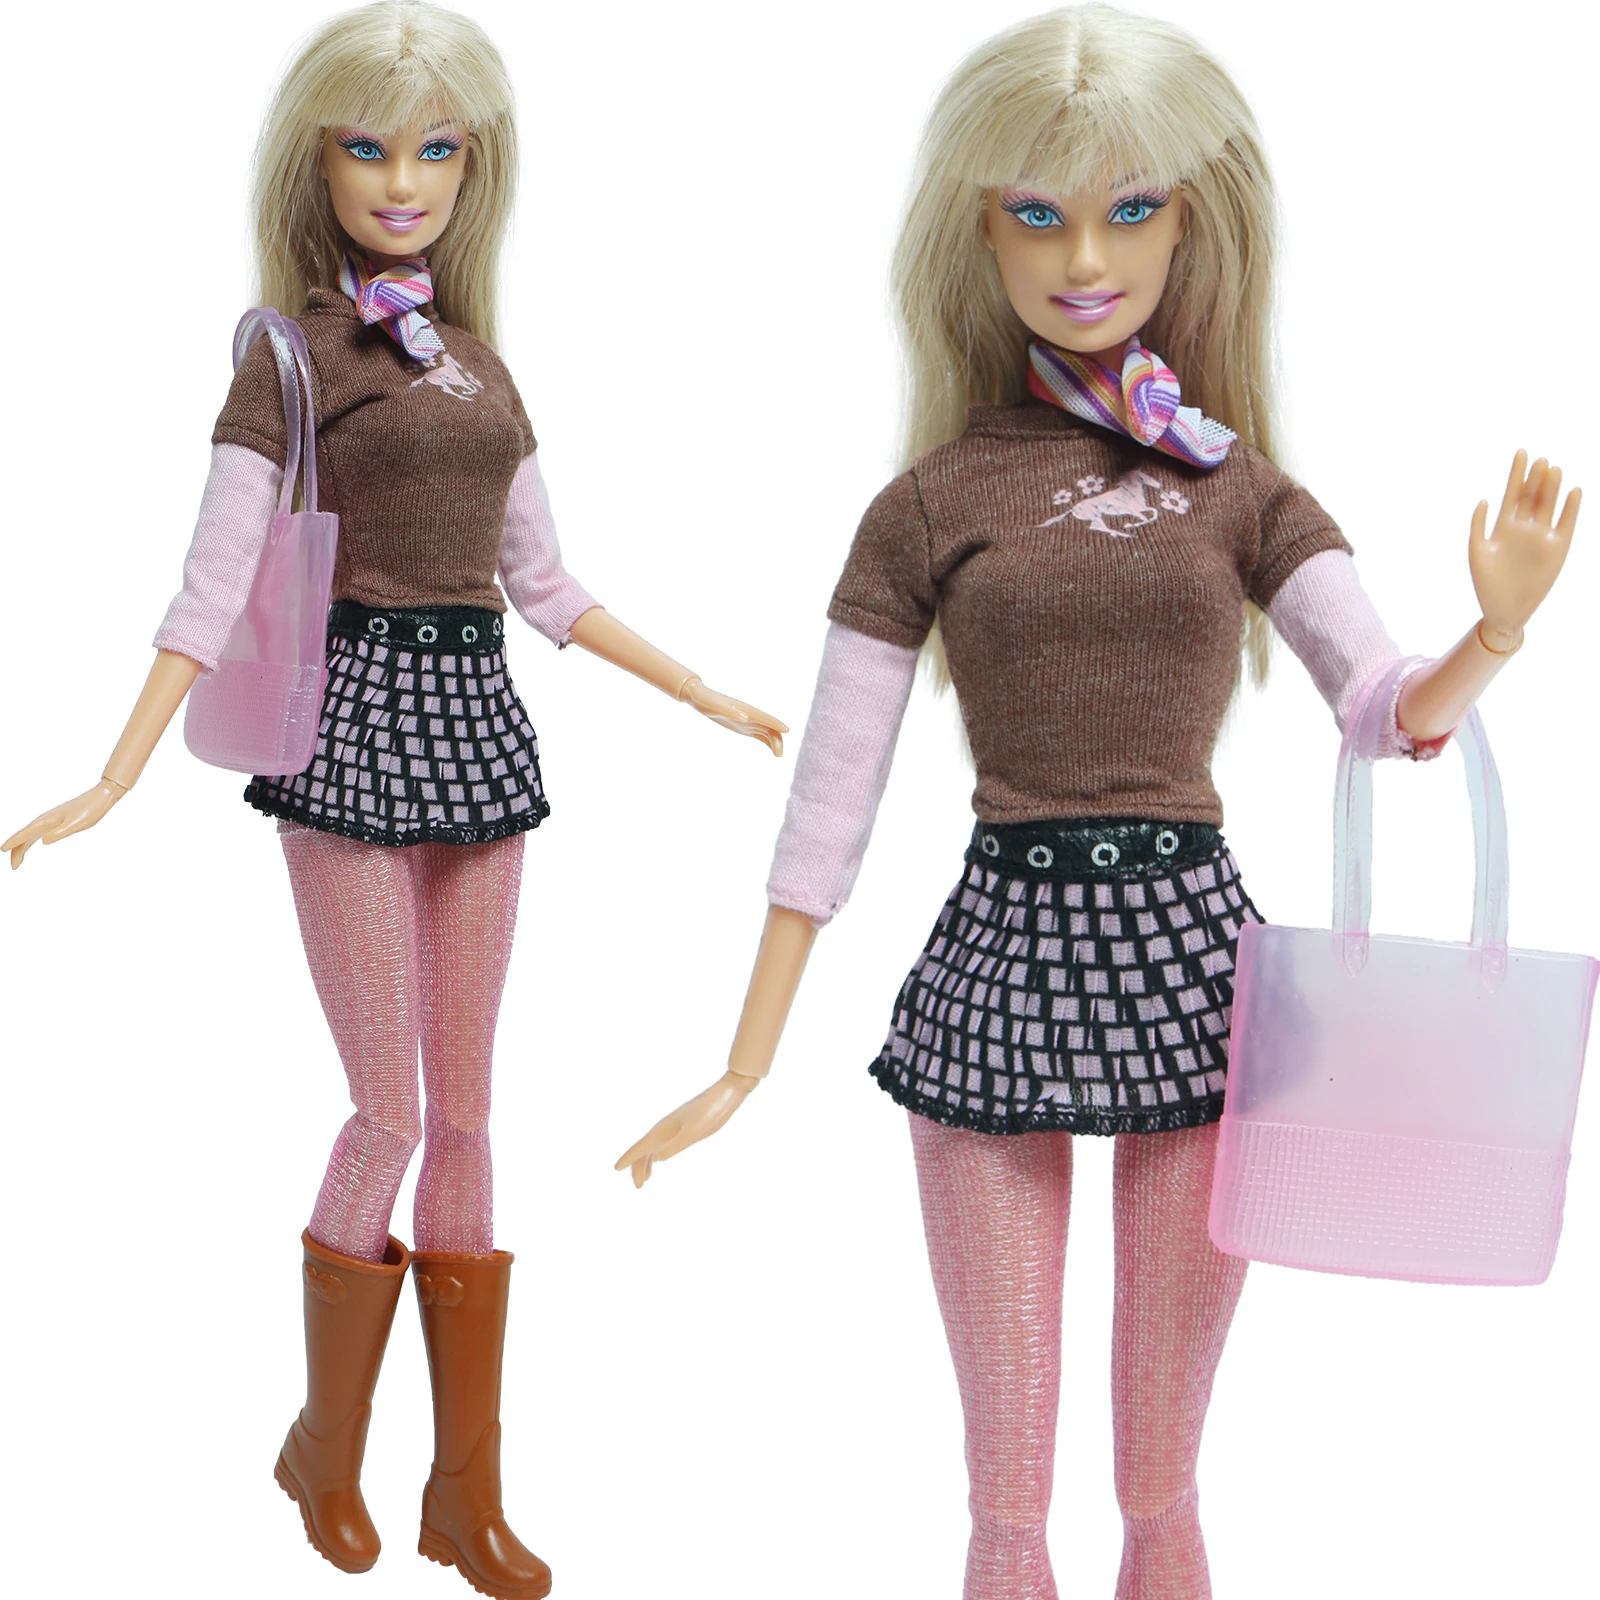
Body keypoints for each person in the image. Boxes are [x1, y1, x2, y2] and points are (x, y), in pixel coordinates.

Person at [614, 8, 1578, 1599]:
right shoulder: (926, 505)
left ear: (1192, 224)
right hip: (998, 965)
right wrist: (743, 1061)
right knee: (1005, 1497)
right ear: (979, 231)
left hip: (1198, 983)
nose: (1083, 257)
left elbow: (1381, 712)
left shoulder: (1241, 487)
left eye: (1130, 209)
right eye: (1037, 213)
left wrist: (1495, 633)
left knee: (1159, 1483)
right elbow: (832, 798)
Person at [1, 5, 782, 1598]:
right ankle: (325, 1446)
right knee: (391, 1111)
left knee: (475, 1114)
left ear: (475, 167)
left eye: (436, 149)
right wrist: (113, 774)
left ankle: (464, 1496)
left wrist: (697, 686)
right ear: (318, 163)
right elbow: (213, 580)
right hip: (348, 740)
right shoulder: (288, 364)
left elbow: (546, 582)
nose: (404, 180)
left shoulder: (480, 364)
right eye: (369, 147)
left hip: (478, 737)